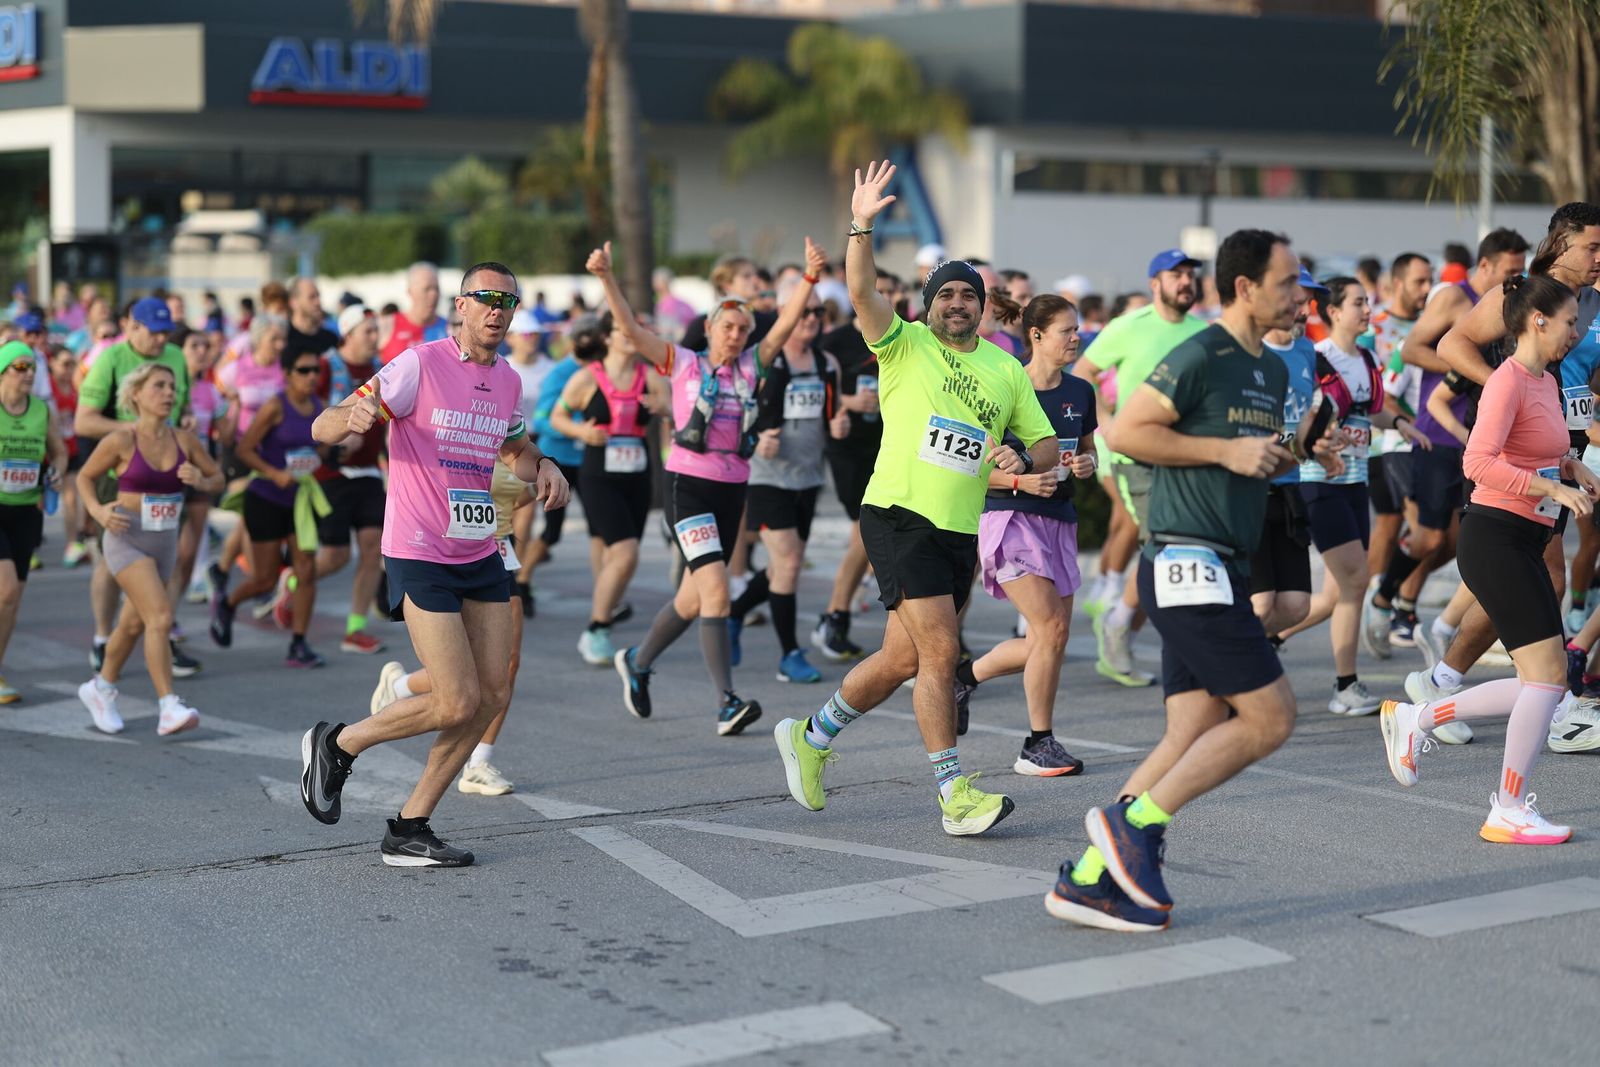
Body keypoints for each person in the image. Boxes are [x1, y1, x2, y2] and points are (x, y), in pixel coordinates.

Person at [1047, 229, 1324, 933]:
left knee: (1193, 724)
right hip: (1184, 561)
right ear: (1245, 288)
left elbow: (1250, 462)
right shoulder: (1203, 352)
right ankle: (1134, 822)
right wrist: (1227, 449)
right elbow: (1129, 432)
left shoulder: (1273, 367)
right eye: (1288, 282)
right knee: (1271, 717)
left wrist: (1297, 450)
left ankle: (1085, 879)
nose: (1299, 294)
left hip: (1221, 563)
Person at [770, 161, 1056, 836]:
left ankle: (810, 738)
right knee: (939, 653)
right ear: (930, 303)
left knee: (901, 659)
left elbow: (1044, 446)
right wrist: (861, 223)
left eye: (969, 295)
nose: (957, 302)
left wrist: (1022, 454)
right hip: (899, 513)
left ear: (983, 306)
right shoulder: (904, 343)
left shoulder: (1006, 368)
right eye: (946, 294)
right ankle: (953, 791)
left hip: (961, 530)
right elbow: (862, 287)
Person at [299, 261, 569, 867]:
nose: (499, 310)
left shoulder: (507, 380)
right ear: (462, 305)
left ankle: (410, 825)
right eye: (487, 299)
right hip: (419, 547)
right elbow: (325, 422)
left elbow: (514, 447)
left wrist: (544, 464)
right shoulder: (419, 364)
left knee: (492, 692)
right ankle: (338, 744)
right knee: (453, 700)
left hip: (479, 548)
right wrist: (353, 419)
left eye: (509, 301)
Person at [1379, 273, 1595, 845]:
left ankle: (1417, 718)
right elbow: (1478, 462)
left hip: (1524, 537)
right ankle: (1508, 805)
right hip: (1494, 537)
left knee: (1540, 685)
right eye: (1572, 320)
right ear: (1538, 320)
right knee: (1548, 681)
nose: (1579, 330)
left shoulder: (1545, 381)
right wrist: (1550, 489)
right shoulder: (1507, 381)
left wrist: (1573, 470)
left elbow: (1546, 451)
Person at [600, 236, 824, 733]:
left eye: (744, 328)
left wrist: (808, 279)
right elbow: (632, 329)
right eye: (728, 326)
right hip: (688, 486)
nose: (736, 335)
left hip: (732, 489)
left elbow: (784, 324)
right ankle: (727, 701)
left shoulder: (752, 365)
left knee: (693, 598)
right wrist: (605, 278)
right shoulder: (682, 362)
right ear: (709, 327)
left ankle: (637, 660)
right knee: (717, 592)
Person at [1412, 205, 1600, 719]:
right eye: (1593, 247)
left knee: (1529, 581)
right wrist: (1505, 388)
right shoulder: (1525, 294)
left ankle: (1445, 681)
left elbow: (1584, 377)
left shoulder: (1593, 303)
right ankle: (1548, 701)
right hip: (1517, 454)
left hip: (1564, 453)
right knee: (1545, 577)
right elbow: (1452, 343)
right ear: (1562, 243)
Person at [955, 295, 1099, 774]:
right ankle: (1037, 743)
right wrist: (1019, 480)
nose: (1076, 338)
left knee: (1052, 637)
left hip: (1059, 520)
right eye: (1067, 330)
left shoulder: (1080, 392)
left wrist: (1085, 464)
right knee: (1050, 628)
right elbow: (968, 466)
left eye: (1077, 329)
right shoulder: (1003, 383)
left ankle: (965, 676)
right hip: (1008, 518)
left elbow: (1089, 454)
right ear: (1036, 335)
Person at [1275, 277, 1430, 715]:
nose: (1367, 310)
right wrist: (1323, 441)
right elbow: (1308, 414)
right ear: (1334, 312)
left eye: (1367, 302)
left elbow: (1373, 408)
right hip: (1316, 478)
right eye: (1359, 303)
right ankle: (1345, 685)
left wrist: (1401, 425)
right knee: (1356, 582)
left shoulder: (1364, 356)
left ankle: (1269, 638)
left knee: (1333, 595)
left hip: (1355, 478)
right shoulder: (1318, 357)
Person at [1071, 249, 1208, 688]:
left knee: (1175, 547)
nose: (1185, 281)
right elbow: (1084, 371)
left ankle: (1123, 620)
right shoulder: (1129, 326)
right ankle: (1121, 620)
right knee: (1160, 543)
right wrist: (1105, 419)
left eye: (1190, 274)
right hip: (1136, 458)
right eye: (1176, 274)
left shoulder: (1204, 331)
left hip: (1186, 455)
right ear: (1156, 283)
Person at [1397, 228, 1530, 677]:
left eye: (1522, 270)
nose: (1518, 279)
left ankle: (1428, 618)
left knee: (1461, 543)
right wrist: (1478, 371)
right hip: (1441, 431)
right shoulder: (1456, 301)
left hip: (1483, 435)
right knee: (1440, 539)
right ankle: (1394, 598)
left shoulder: (1513, 306)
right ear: (1485, 266)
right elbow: (1413, 348)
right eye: (1510, 272)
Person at [370, 459, 538, 798]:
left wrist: (540, 477)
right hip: (450, 558)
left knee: (507, 664)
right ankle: (400, 686)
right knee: (464, 671)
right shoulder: (457, 435)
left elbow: (524, 493)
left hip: (499, 554)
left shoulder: (510, 431)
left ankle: (478, 764)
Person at [75, 361, 221, 735]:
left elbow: (218, 478)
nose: (168, 393)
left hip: (164, 543)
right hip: (126, 537)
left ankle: (101, 687)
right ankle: (168, 705)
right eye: (159, 386)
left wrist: (200, 478)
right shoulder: (121, 440)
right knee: (159, 617)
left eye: (172, 387)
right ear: (136, 394)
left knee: (134, 623)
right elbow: (85, 477)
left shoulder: (185, 441)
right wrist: (98, 511)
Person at [727, 276, 849, 684]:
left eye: (819, 312)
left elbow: (831, 416)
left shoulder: (825, 364)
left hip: (807, 478)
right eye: (805, 311)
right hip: (766, 477)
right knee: (790, 561)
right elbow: (735, 416)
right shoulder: (762, 363)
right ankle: (789, 654)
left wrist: (840, 424)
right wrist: (757, 438)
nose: (812, 319)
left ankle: (737, 611)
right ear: (786, 313)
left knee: (785, 565)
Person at [75, 297, 192, 674]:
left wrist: (184, 423)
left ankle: (163, 635)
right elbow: (83, 421)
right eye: (153, 333)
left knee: (167, 561)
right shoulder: (109, 360)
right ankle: (100, 636)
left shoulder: (175, 357)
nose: (161, 340)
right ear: (132, 327)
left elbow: (182, 407)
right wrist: (133, 434)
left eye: (165, 332)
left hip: (168, 475)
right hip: (121, 474)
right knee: (112, 564)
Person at [551, 311, 667, 667]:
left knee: (614, 555)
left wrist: (663, 407)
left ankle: (605, 612)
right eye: (621, 329)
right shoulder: (587, 378)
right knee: (626, 552)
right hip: (598, 475)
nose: (630, 335)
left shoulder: (650, 376)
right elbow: (556, 417)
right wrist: (582, 433)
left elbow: (676, 410)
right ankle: (596, 628)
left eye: (635, 329)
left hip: (637, 476)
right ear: (606, 337)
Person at [209, 343, 327, 668]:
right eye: (304, 370)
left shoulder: (320, 406)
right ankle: (229, 603)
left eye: (316, 370)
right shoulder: (275, 406)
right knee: (263, 579)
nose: (312, 376)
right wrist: (274, 473)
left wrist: (332, 450)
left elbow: (324, 449)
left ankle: (299, 643)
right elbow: (244, 449)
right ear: (287, 375)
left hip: (300, 500)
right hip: (266, 498)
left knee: (306, 571)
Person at [811, 271, 892, 661]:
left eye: (895, 295)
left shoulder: (906, 338)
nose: (889, 302)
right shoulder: (835, 342)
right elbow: (819, 391)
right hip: (848, 448)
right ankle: (834, 616)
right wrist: (846, 403)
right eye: (881, 293)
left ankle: (838, 615)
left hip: (888, 446)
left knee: (868, 536)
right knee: (865, 531)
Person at [1250, 269, 1330, 640]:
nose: (1305, 310)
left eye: (1308, 302)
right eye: (1299, 301)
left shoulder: (1306, 351)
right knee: (1261, 603)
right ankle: (1237, 676)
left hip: (1290, 488)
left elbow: (1310, 409)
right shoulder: (1251, 350)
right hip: (1251, 489)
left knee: (1296, 606)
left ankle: (1251, 656)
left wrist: (1327, 437)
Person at [1362, 253, 1435, 652]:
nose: (1426, 289)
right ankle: (1380, 603)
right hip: (1381, 442)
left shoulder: (1432, 326)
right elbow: (1369, 385)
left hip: (1421, 444)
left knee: (1421, 529)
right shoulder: (1373, 327)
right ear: (1397, 284)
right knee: (1390, 525)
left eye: (1430, 282)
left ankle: (1390, 603)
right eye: (1418, 282)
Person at [310, 304, 388, 654]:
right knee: (336, 557)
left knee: (373, 549)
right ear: (349, 333)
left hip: (370, 471)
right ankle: (294, 581)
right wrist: (340, 431)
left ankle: (355, 629)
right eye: (368, 331)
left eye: (376, 330)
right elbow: (311, 417)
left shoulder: (382, 370)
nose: (375, 337)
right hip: (332, 473)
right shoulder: (328, 366)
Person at [0, 342, 67, 702]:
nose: (28, 373)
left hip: (26, 511)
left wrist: (57, 471)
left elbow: (58, 450)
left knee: (11, 600)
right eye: (20, 366)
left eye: (33, 367)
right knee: (6, 588)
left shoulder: (42, 410)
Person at [520, 319, 594, 615]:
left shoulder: (600, 371)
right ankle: (521, 580)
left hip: (588, 458)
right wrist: (578, 428)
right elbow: (543, 418)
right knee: (552, 531)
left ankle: (523, 578)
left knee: (599, 531)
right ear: (574, 343)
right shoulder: (559, 373)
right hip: (559, 458)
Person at [381, 261, 447, 364]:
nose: (433, 295)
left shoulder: (449, 328)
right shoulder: (387, 325)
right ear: (410, 291)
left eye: (436, 289)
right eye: (427, 289)